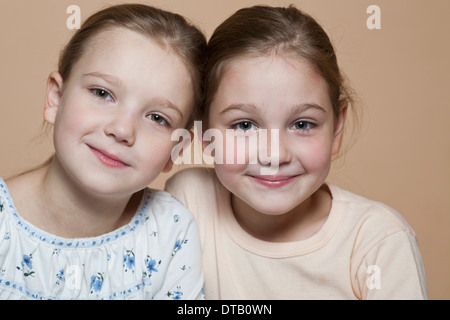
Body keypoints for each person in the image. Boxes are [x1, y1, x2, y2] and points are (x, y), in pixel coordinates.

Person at [166, 5, 428, 299]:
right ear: (204, 131)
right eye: (244, 125)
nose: (275, 155)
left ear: (336, 129)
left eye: (302, 124)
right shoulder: (189, 202)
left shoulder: (378, 242)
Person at [0, 4, 206, 300]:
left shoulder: (170, 232)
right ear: (56, 98)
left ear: (177, 149)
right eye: (102, 93)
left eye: (157, 118)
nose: (122, 130)